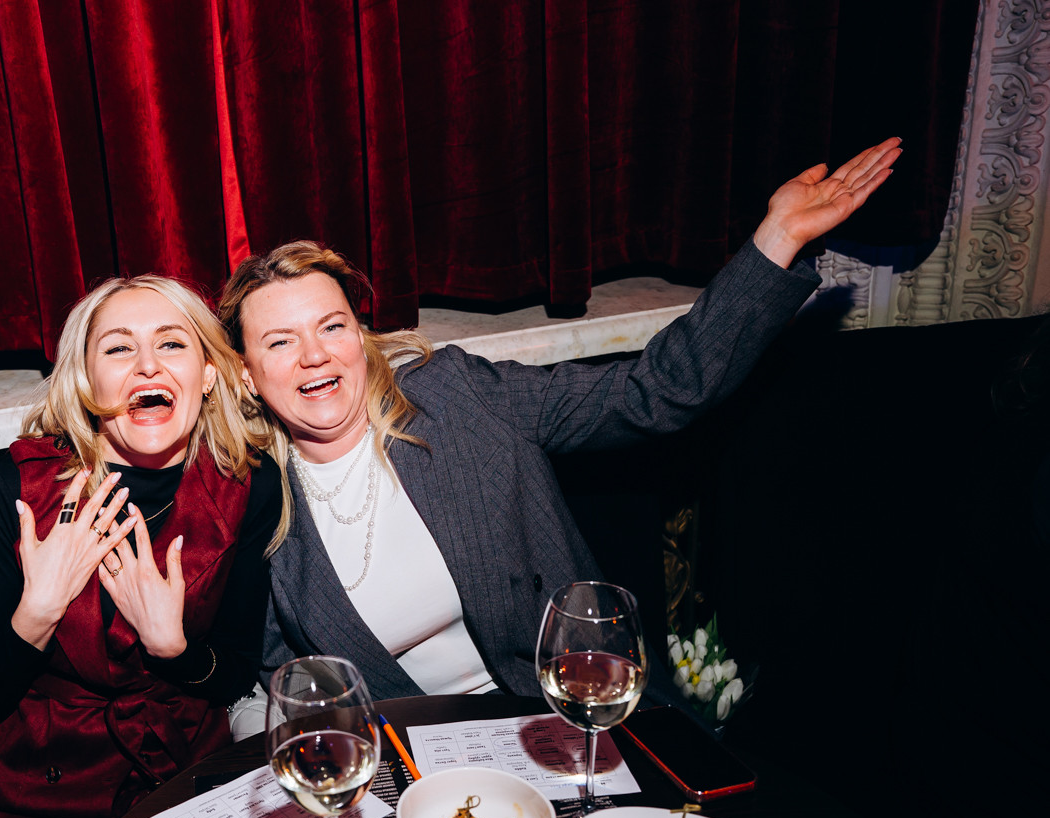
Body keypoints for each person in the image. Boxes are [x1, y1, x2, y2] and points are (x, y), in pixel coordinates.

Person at [217, 138, 901, 701]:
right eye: (279, 341)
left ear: (359, 335)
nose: (314, 355)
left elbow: (656, 391)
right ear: (246, 373)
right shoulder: (252, 504)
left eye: (332, 325)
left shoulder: (455, 396)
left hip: (571, 709)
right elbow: (280, 682)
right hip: (408, 767)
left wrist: (776, 239)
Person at [0, 275, 280, 818]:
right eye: (119, 349)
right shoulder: (15, 491)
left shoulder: (248, 483)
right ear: (86, 379)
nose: (147, 365)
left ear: (208, 372)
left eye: (171, 345)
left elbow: (238, 671)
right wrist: (37, 613)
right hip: (35, 799)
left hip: (184, 778)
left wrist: (175, 650)